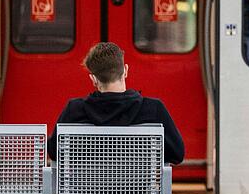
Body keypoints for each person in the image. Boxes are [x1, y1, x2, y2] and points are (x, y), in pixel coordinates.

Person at [47, 42, 185, 164]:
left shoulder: (75, 109)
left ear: (93, 79)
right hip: (136, 192)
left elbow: (54, 152)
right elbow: (177, 154)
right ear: (125, 71)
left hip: (87, 192)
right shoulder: (153, 109)